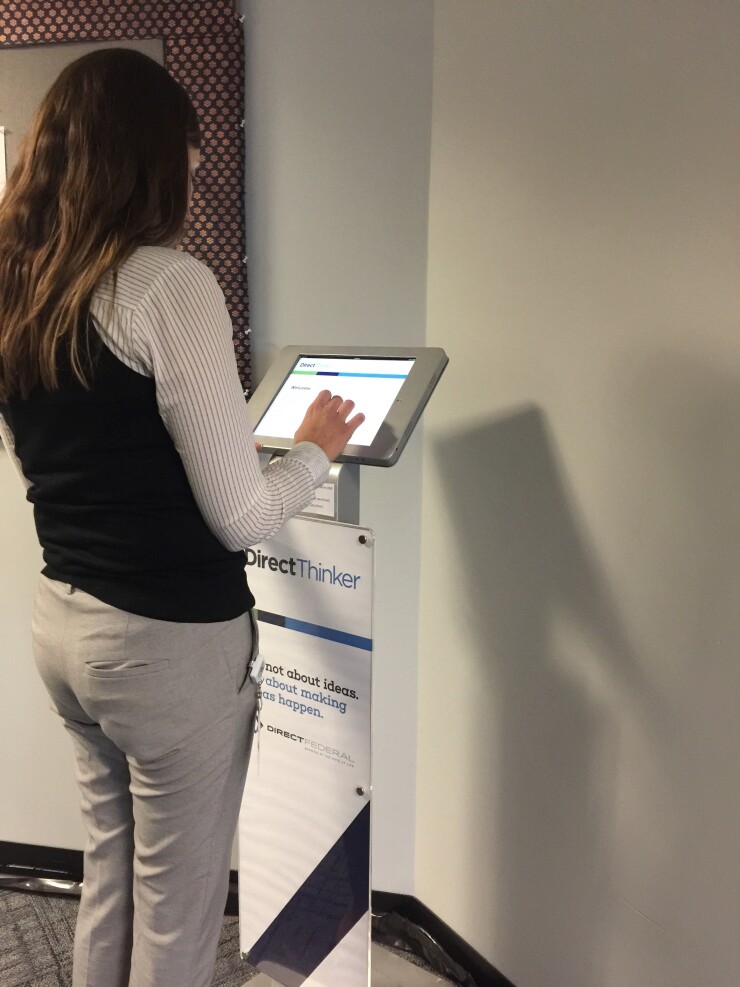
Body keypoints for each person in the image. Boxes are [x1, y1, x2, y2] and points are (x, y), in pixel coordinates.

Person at [0, 48, 363, 987]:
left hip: (62, 627)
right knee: (180, 903)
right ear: (152, 155)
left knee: (108, 870)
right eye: (190, 148)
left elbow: (65, 454)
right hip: (167, 648)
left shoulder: (19, 288)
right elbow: (243, 514)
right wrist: (314, 445)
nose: (200, 166)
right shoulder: (170, 285)